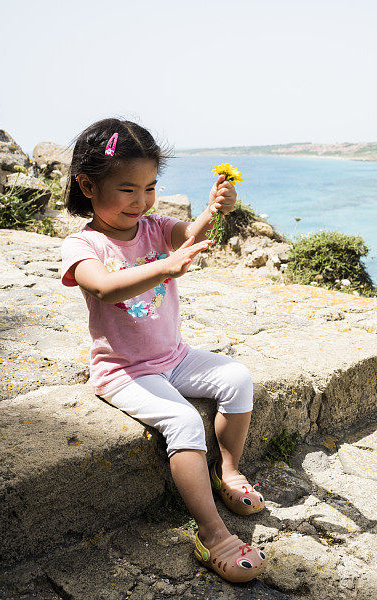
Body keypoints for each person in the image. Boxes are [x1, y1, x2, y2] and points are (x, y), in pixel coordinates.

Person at [59, 118, 267, 583]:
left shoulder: (153, 228)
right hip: (124, 370)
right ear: (87, 185)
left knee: (237, 377)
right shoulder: (84, 243)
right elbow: (106, 287)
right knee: (184, 421)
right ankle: (212, 532)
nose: (142, 201)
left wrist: (215, 209)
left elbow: (188, 235)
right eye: (128, 189)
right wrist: (166, 270)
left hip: (173, 356)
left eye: (150, 187)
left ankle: (228, 471)